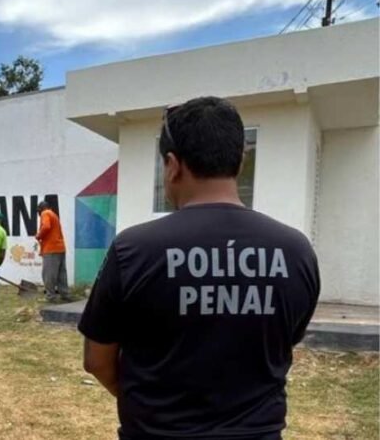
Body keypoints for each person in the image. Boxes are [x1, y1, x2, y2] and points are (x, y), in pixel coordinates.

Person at [78, 96, 320, 440]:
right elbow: (283, 342)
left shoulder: (133, 249)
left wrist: (149, 407)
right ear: (240, 160)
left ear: (173, 165)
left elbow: (97, 361)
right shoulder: (296, 251)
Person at [36, 200, 72, 303]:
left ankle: (50, 296)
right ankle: (65, 294)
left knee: (49, 274)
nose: (39, 213)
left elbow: (46, 226)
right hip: (60, 248)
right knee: (61, 274)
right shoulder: (54, 215)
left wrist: (39, 235)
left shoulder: (45, 213)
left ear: (41, 209)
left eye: (38, 211)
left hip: (51, 249)